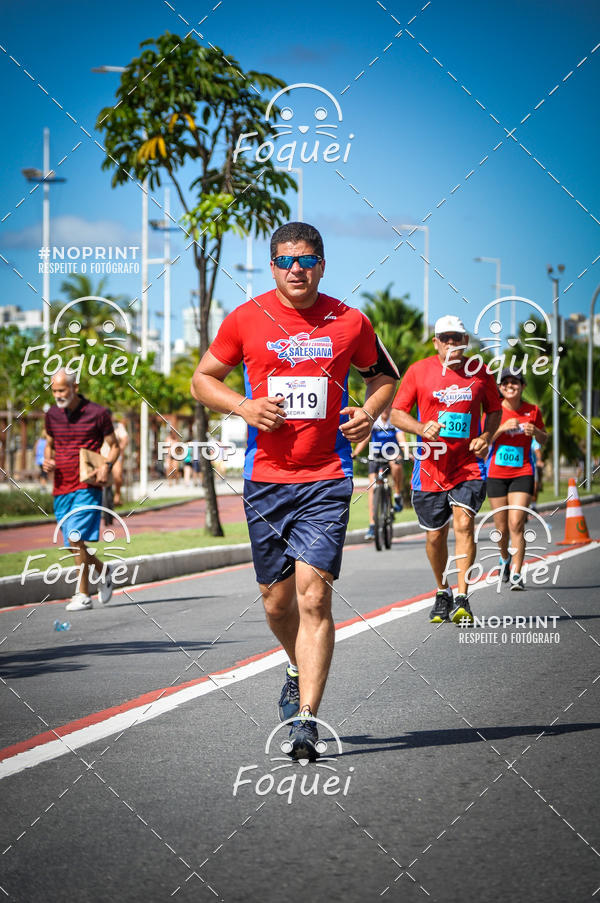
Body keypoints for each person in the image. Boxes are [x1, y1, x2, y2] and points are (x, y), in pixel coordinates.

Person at [191, 222, 398, 760]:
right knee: (277, 604)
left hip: (327, 477)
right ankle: (293, 661)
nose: (296, 270)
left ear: (323, 265)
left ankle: (306, 720)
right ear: (272, 267)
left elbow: (382, 377)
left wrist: (368, 415)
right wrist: (244, 406)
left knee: (314, 596)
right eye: (285, 261)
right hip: (266, 479)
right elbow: (202, 379)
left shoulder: (349, 321)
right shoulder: (246, 318)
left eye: (306, 260)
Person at [391, 315, 502, 624]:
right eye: (446, 338)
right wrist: (420, 427)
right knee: (435, 537)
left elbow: (494, 411)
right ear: (436, 342)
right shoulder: (418, 372)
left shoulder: (480, 373)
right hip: (429, 467)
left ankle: (463, 596)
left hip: (467, 465)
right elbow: (398, 414)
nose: (453, 344)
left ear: (465, 342)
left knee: (464, 525)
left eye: (458, 338)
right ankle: (443, 590)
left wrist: (485, 436)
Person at [43, 369, 120, 611]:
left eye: (62, 390)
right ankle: (105, 571)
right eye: (54, 391)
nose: (58, 395)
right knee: (70, 543)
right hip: (61, 485)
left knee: (76, 537)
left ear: (75, 386)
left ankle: (83, 594)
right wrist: (47, 460)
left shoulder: (98, 413)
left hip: (87, 484)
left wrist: (107, 466)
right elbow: (49, 443)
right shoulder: (52, 414)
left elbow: (114, 446)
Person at [486, 369, 547, 590]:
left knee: (516, 523)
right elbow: (483, 442)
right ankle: (505, 559)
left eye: (515, 382)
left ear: (523, 386)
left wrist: (536, 433)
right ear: (500, 387)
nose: (510, 386)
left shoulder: (533, 410)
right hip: (496, 474)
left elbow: (544, 438)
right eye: (506, 383)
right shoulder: (493, 412)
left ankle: (518, 574)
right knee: (501, 528)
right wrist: (500, 429)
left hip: (522, 471)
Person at [352, 405, 407, 540]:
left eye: (388, 409)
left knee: (396, 464)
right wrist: (355, 453)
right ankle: (372, 525)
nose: (385, 412)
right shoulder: (374, 420)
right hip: (376, 453)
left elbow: (401, 439)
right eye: (383, 409)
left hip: (392, 451)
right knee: (372, 488)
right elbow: (366, 437)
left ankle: (398, 494)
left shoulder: (394, 420)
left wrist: (405, 452)